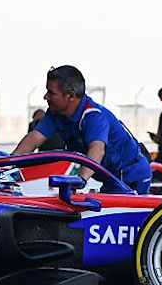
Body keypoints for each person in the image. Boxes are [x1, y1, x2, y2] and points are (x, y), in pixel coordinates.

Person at [13, 65, 151, 194]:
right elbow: (35, 137)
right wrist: (7, 164)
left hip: (132, 174)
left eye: (51, 93)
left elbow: (97, 149)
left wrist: (80, 180)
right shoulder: (56, 113)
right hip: (111, 177)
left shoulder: (93, 116)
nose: (45, 97)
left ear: (71, 96)